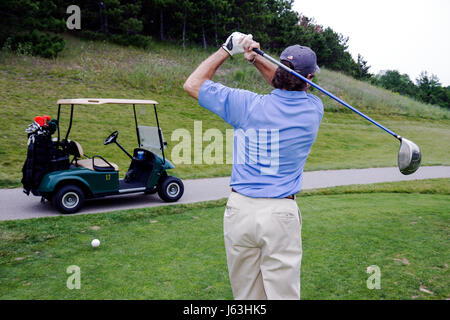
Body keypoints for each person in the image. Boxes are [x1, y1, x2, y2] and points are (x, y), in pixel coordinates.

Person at [183, 32, 323, 300]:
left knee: (246, 297)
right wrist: (257, 59)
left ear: (280, 70)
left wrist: (228, 49)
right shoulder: (313, 110)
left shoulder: (246, 105)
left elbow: (193, 84)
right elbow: (288, 84)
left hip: (240, 211)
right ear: (310, 80)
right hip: (281, 214)